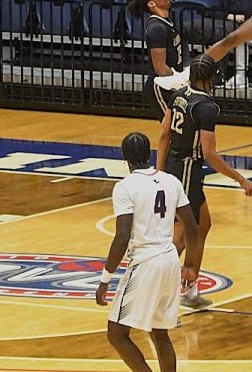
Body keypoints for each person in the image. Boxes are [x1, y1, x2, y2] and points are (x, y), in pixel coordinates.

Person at [157, 55, 252, 308]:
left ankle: (190, 289)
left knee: (202, 226)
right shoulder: (206, 107)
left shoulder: (178, 94)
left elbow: (164, 134)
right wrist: (241, 180)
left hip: (173, 166)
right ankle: (154, 288)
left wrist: (158, 173)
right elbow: (210, 154)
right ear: (211, 78)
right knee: (180, 237)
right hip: (188, 171)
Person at [96, 131, 201, 372]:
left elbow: (122, 236)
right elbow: (192, 227)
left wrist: (105, 280)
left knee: (117, 333)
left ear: (126, 158)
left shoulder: (125, 187)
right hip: (170, 260)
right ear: (149, 154)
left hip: (146, 263)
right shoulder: (170, 181)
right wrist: (191, 266)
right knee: (159, 332)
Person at [128, 0, 182, 118]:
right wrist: (180, 82)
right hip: (161, 86)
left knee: (182, 131)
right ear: (151, 4)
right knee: (171, 129)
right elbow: (160, 68)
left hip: (171, 83)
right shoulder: (156, 28)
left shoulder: (167, 22)